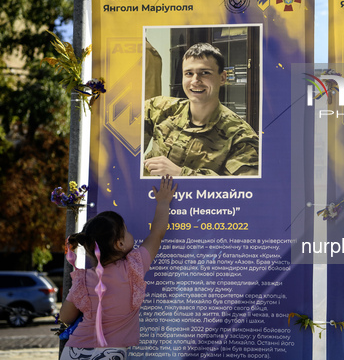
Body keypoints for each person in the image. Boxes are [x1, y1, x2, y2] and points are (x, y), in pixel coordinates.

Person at [58, 175, 177, 360]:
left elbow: (65, 317)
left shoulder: (83, 279)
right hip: (110, 352)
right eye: (127, 230)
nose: (131, 234)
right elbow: (156, 234)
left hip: (74, 351)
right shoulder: (133, 266)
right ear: (120, 244)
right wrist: (163, 202)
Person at [143, 42, 259, 176]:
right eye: (188, 73)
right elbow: (123, 151)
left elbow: (240, 191)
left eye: (205, 73)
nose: (195, 80)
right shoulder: (158, 108)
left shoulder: (241, 137)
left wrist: (181, 174)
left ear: (222, 78)